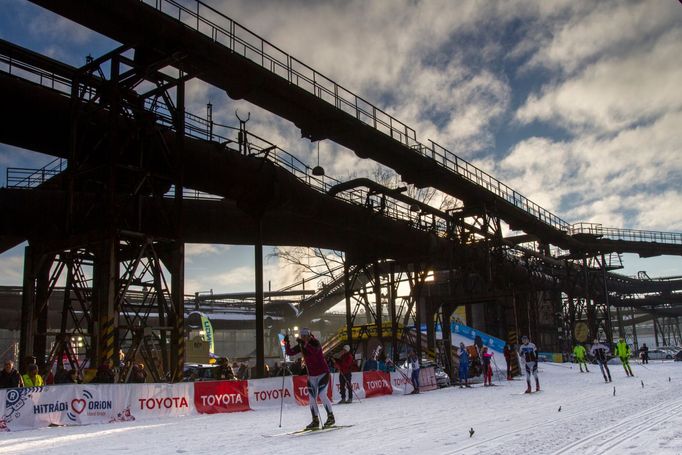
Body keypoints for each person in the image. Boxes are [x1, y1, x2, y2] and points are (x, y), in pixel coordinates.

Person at [285, 328, 335, 430]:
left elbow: (314, 352)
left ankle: (331, 417)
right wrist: (286, 343)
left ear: (309, 336)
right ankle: (315, 420)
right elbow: (290, 353)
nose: (303, 338)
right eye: (302, 336)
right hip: (312, 375)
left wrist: (304, 344)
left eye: (305, 336)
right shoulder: (302, 344)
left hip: (323, 373)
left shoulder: (315, 342)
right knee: (312, 398)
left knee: (322, 394)